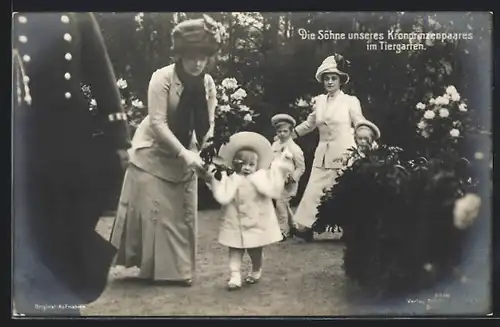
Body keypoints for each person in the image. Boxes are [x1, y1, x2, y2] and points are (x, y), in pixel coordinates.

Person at [12, 12, 131, 316]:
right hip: (20, 136)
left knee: (68, 229)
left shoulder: (76, 13)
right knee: (28, 230)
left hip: (69, 139)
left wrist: (119, 138)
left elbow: (100, 72)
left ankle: (62, 307)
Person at [109, 15, 223, 286]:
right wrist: (184, 153)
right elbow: (158, 122)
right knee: (158, 214)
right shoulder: (161, 78)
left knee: (183, 213)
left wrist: (202, 154)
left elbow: (209, 122)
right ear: (180, 55)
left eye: (203, 57)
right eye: (191, 56)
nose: (197, 62)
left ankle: (180, 271)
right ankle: (154, 270)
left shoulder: (208, 84)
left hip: (188, 152)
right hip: (152, 152)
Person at [291, 55, 368, 242]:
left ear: (341, 80)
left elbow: (359, 122)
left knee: (343, 191)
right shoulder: (319, 102)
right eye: (327, 78)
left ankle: (350, 229)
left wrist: (366, 135)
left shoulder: (350, 101)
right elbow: (309, 124)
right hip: (323, 154)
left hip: (344, 153)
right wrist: (289, 134)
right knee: (314, 189)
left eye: (334, 78)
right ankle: (305, 228)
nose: (330, 81)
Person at [204, 132, 293, 290]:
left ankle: (256, 269)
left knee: (255, 250)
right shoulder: (231, 179)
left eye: (251, 164)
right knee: (235, 249)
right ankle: (235, 275)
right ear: (235, 164)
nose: (246, 168)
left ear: (257, 165)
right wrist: (215, 177)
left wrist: (280, 166)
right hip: (235, 221)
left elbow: (274, 186)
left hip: (255, 220)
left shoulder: (260, 178)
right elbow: (221, 193)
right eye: (242, 164)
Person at [270, 114, 306, 240]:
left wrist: (293, 178)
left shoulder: (295, 149)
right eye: (279, 131)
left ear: (291, 132)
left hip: (287, 181)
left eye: (285, 131)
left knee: (281, 204)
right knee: (283, 204)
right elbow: (271, 160)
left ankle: (282, 231)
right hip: (275, 179)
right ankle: (293, 226)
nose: (282, 134)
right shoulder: (274, 145)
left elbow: (301, 167)